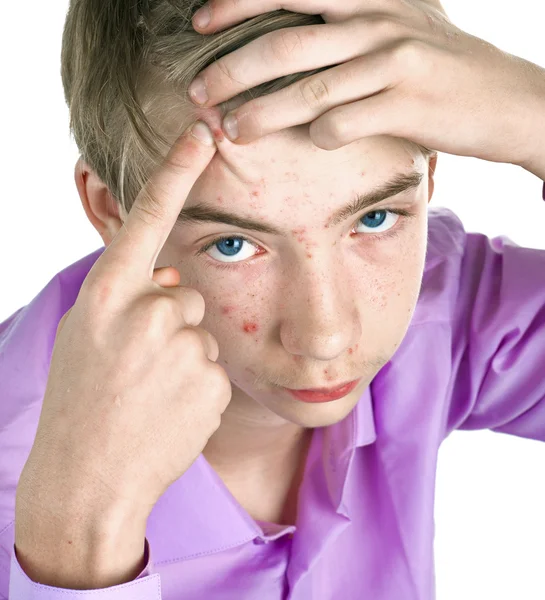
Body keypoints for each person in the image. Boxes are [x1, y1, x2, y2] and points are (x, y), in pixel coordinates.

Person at [1, 0, 544, 598]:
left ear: (428, 174)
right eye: (232, 244)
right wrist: (72, 553)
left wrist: (535, 114)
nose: (325, 335)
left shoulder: (446, 302)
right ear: (111, 209)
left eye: (376, 216)